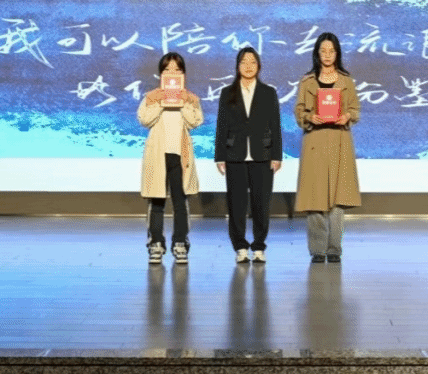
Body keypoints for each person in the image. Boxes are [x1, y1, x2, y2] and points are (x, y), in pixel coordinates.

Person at [293, 32, 361, 264]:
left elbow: (355, 109)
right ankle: (317, 249)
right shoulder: (307, 81)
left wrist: (347, 116)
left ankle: (334, 249)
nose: (327, 55)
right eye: (323, 50)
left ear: (337, 53)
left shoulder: (346, 81)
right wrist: (310, 117)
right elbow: (298, 111)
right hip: (315, 141)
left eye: (331, 51)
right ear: (317, 53)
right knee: (315, 199)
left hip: (340, 141)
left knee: (337, 200)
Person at [215, 48, 283, 264]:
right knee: (236, 205)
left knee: (261, 204)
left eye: (252, 62)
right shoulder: (227, 93)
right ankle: (240, 247)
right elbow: (221, 126)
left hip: (262, 155)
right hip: (234, 156)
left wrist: (276, 155)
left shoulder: (268, 92)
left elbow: (275, 125)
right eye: (244, 62)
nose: (248, 66)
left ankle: (259, 246)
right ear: (237, 66)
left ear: (259, 66)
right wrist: (220, 156)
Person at [138, 52, 204, 265]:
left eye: (177, 69)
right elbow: (144, 119)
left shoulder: (190, 98)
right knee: (156, 200)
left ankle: (180, 243)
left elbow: (196, 121)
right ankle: (155, 243)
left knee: (180, 201)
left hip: (180, 155)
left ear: (183, 73)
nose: (172, 73)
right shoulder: (151, 96)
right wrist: (160, 101)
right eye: (167, 70)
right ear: (161, 74)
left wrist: (183, 102)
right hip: (158, 155)